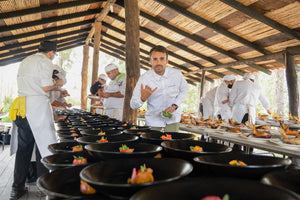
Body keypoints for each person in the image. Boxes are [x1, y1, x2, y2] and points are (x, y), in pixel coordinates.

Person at [8, 41, 63, 200]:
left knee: (24, 150)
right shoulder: (45, 61)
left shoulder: (26, 60)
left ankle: (17, 188)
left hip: (23, 107)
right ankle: (42, 186)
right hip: (37, 106)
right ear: (51, 52)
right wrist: (57, 83)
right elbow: (46, 87)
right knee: (43, 148)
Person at [130, 45, 188, 132]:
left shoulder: (176, 74)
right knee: (153, 145)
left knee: (171, 145)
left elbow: (184, 90)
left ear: (167, 61)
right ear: (150, 61)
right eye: (155, 59)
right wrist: (142, 99)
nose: (158, 63)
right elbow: (133, 105)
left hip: (172, 121)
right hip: (153, 123)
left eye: (162, 59)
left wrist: (175, 105)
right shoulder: (145, 78)